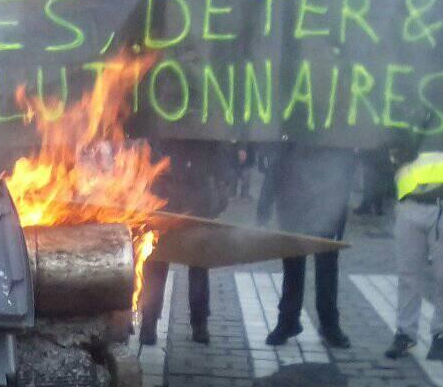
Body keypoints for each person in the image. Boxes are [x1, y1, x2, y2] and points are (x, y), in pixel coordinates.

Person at [384, 118, 443, 361]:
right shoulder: (405, 123)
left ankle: (442, 333)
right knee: (407, 274)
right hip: (411, 203)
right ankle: (405, 333)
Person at [136, 139, 237, 345]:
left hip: (184, 204)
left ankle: (183, 325)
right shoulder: (203, 133)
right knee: (163, 265)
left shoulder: (200, 136)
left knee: (185, 266)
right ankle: (155, 324)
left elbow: (221, 166)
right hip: (172, 204)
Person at [259, 145, 355, 348]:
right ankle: (289, 320)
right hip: (293, 199)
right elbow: (278, 158)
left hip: (327, 199)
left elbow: (346, 160)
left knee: (326, 267)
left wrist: (341, 204)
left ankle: (328, 324)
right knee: (293, 264)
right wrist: (265, 201)